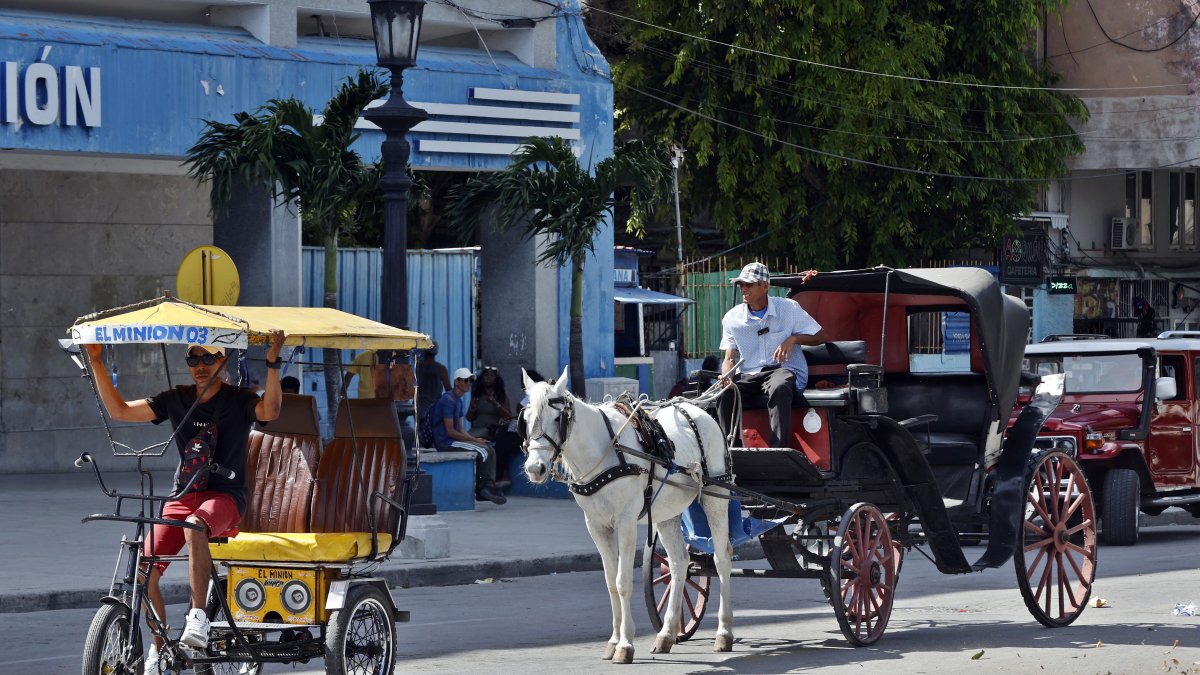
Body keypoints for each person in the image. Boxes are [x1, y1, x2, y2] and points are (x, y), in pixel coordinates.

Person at [85, 332, 285, 674]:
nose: (201, 366)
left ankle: (198, 618)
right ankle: (157, 649)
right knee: (144, 566)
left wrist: (271, 363)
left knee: (195, 527)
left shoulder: (239, 399)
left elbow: (271, 410)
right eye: (194, 359)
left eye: (209, 359)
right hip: (183, 494)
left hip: (225, 496)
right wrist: (97, 362)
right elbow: (119, 410)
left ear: (222, 361)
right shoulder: (176, 399)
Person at [717, 262, 827, 447]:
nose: (744, 288)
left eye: (749, 284)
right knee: (724, 394)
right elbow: (729, 358)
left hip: (782, 370)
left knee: (780, 386)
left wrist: (792, 339)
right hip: (750, 374)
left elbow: (821, 335)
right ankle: (730, 451)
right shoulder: (731, 319)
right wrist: (727, 376)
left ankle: (778, 448)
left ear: (765, 286)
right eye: (741, 284)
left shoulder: (789, 308)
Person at [432, 368, 507, 505]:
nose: (469, 383)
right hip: (446, 442)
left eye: (471, 380)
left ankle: (488, 486)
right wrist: (473, 440)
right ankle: (481, 488)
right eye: (466, 380)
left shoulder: (458, 400)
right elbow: (450, 432)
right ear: (457, 381)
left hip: (454, 440)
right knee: (482, 451)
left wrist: (476, 440)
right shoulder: (448, 400)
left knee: (489, 448)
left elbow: (460, 429)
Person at [467, 367, 520, 488]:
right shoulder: (477, 396)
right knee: (466, 441)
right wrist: (472, 408)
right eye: (486, 376)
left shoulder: (500, 396)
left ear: (496, 379)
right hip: (476, 428)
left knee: (470, 440)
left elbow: (508, 416)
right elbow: (469, 418)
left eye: (491, 376)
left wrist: (495, 404)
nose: (488, 378)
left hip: (490, 429)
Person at [416, 341, 451, 448]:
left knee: (421, 437)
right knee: (435, 437)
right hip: (435, 408)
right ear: (436, 352)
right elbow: (449, 390)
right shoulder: (441, 368)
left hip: (419, 407)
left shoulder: (416, 368)